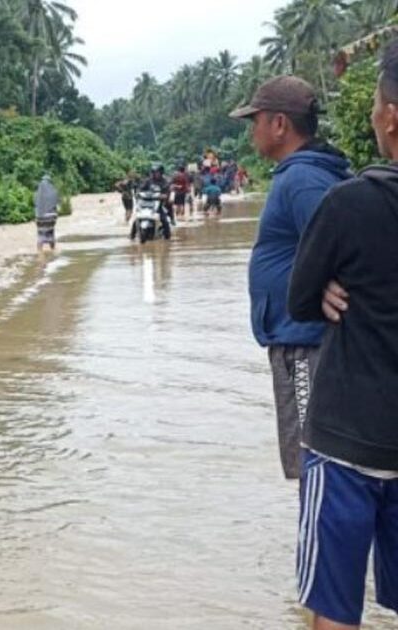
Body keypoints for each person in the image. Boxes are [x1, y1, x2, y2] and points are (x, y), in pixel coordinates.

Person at [285, 42, 398, 629]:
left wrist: (329, 286)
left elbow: (300, 300)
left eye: (376, 103)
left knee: (332, 609)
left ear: (390, 116)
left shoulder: (348, 204)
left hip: (345, 442)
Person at [231, 75, 353, 481]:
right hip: (303, 340)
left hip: (305, 346)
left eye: (256, 121)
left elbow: (344, 249)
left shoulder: (303, 180)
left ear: (279, 124)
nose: (252, 131)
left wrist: (328, 284)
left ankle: (313, 522)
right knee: (314, 459)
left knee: (311, 459)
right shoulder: (305, 173)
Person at [132, 164, 172, 240]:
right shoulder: (148, 181)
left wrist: (164, 196)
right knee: (136, 219)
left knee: (164, 221)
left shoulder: (165, 182)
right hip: (145, 204)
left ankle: (168, 237)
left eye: (157, 172)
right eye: (153, 172)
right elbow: (141, 189)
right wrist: (138, 193)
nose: (155, 174)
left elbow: (167, 192)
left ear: (161, 172)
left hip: (158, 205)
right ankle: (132, 236)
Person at [34, 174, 60, 251]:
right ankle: (53, 250)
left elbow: (36, 204)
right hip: (52, 217)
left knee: (40, 234)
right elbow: (57, 203)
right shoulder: (54, 191)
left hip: (41, 217)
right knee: (51, 233)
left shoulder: (37, 193)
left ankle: (40, 253)